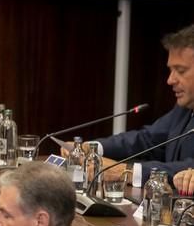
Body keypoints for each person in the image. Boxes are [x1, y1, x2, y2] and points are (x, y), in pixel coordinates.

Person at [75, 24, 194, 186]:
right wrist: (92, 148)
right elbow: (146, 140)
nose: (170, 80)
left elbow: (190, 169)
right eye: (171, 70)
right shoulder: (184, 109)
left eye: (180, 70)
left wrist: (126, 171)